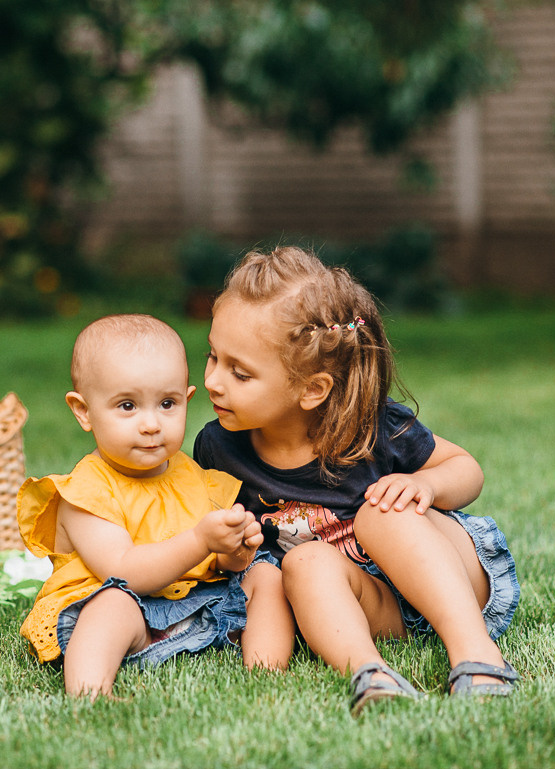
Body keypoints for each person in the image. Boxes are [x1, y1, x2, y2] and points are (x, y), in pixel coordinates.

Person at [194, 246, 520, 715]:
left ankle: (477, 653)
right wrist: (232, 549)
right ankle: (372, 673)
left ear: (312, 389)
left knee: (380, 515)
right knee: (303, 561)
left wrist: (427, 486)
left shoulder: (370, 426)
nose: (213, 381)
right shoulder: (219, 448)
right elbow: (229, 556)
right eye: (212, 357)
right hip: (376, 606)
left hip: (451, 578)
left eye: (240, 373)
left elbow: (467, 469)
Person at [18, 314, 295, 698]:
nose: (151, 424)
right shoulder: (85, 492)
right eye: (127, 406)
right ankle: (90, 692)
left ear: (187, 400)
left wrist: (233, 550)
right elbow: (125, 573)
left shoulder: (190, 473)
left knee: (265, 574)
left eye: (167, 403)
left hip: (192, 605)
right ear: (84, 411)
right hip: (119, 614)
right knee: (112, 604)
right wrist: (201, 540)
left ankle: (266, 674)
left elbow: (215, 565)